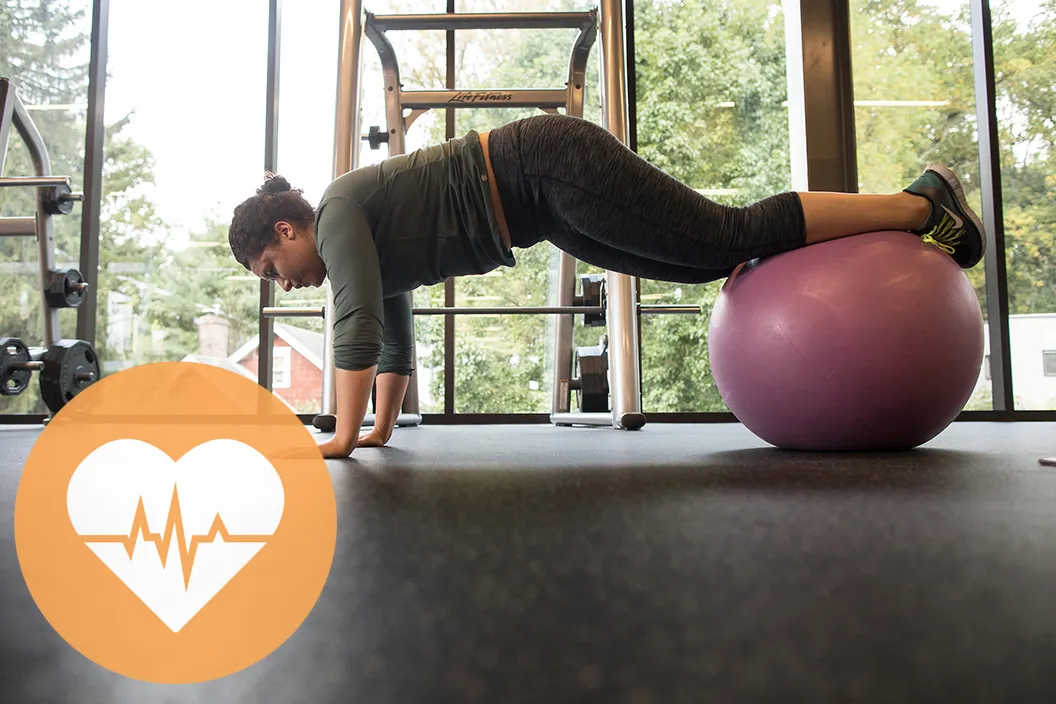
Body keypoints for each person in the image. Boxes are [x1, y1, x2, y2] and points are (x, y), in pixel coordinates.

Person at [228, 113, 984, 459]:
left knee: (723, 235)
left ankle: (919, 202)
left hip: (542, 165)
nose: (283, 286)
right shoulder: (353, 235)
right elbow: (390, 334)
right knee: (704, 261)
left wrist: (338, 438)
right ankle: (907, 213)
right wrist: (375, 430)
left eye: (271, 272)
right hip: (541, 209)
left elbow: (353, 322)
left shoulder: (335, 213)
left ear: (287, 234)